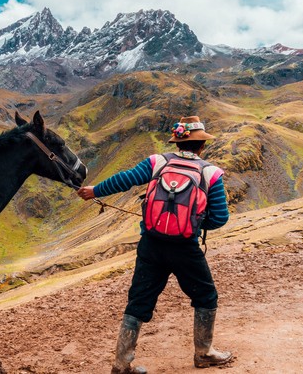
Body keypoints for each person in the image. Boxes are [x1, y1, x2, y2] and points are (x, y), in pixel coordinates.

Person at [76, 116, 232, 373]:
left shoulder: (157, 162)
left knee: (139, 300)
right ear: (201, 145)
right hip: (185, 248)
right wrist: (191, 222)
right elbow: (219, 218)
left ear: (177, 141)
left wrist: (95, 191)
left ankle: (121, 363)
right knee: (205, 296)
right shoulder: (210, 173)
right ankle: (204, 353)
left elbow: (125, 179)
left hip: (151, 244)